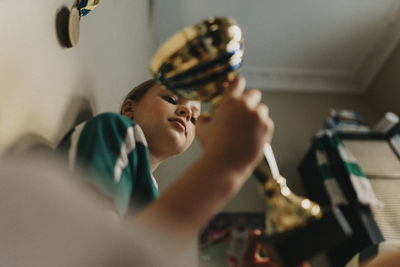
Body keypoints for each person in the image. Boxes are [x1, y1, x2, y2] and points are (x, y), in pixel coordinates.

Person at [57, 76, 279, 265]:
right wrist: (224, 164)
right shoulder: (115, 129)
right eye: (171, 99)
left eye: (194, 118)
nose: (184, 112)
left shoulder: (152, 196)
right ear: (129, 109)